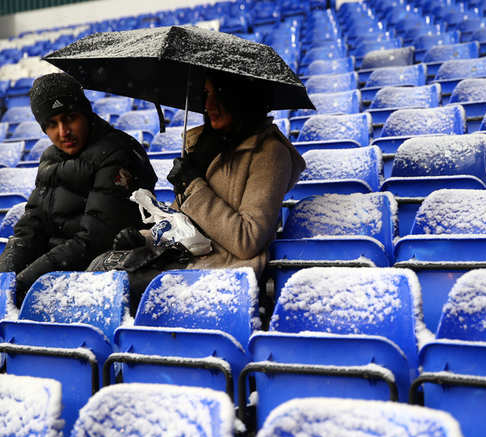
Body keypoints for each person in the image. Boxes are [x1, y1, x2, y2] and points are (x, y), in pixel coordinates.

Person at [91, 72, 305, 310]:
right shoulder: (205, 145)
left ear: (243, 98)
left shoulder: (270, 154)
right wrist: (145, 237)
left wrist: (193, 185)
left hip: (223, 271)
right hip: (182, 260)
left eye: (219, 95)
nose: (208, 105)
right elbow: (182, 224)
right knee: (99, 268)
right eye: (206, 95)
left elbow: (248, 240)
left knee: (110, 288)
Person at [0, 73, 157, 303]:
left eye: (70, 118)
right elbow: (31, 227)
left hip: (98, 279)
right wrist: (5, 278)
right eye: (52, 124)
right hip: (54, 273)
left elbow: (96, 239)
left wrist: (24, 282)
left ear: (85, 113)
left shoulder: (118, 152)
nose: (63, 132)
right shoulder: (50, 158)